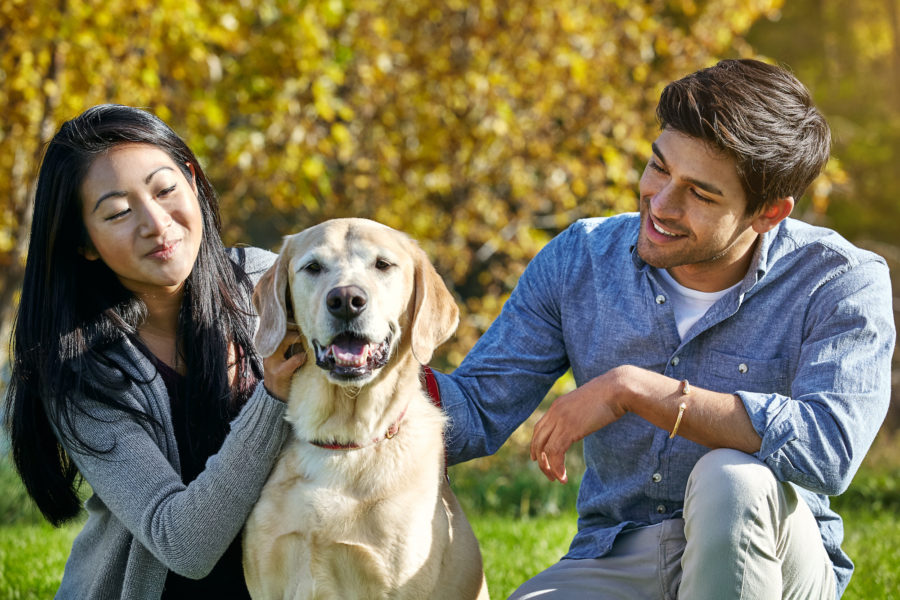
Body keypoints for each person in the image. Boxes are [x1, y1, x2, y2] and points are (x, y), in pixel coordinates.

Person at [428, 59, 895, 598]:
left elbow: (828, 448)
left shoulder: (839, 281)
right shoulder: (580, 258)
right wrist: (352, 375)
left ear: (768, 213)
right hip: (623, 553)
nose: (662, 203)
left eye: (701, 194)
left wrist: (637, 390)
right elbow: (477, 409)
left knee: (731, 479)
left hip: (775, 557)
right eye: (658, 167)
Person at [3, 104, 305, 598]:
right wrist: (272, 399)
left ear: (191, 178)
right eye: (119, 212)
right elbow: (185, 544)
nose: (155, 222)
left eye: (165, 189)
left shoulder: (264, 281)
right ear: (84, 243)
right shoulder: (78, 370)